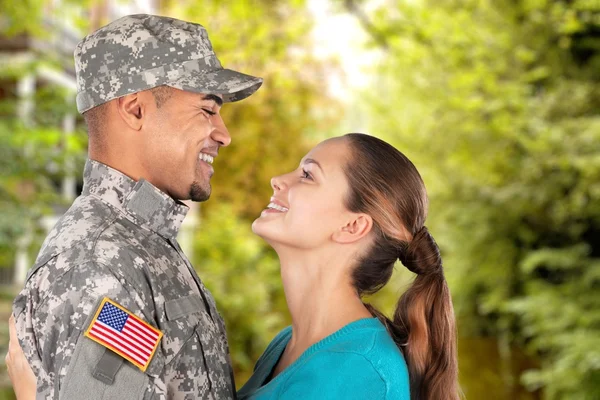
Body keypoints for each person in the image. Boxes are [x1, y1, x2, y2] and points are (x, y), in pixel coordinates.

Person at [8, 134, 460, 399]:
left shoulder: (354, 376)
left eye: (307, 175)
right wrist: (94, 324)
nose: (277, 180)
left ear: (352, 226)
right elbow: (160, 355)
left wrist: (33, 391)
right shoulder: (290, 344)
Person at [10, 13, 262, 399]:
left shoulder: (138, 245)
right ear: (135, 110)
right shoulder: (100, 265)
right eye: (207, 110)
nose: (223, 135)